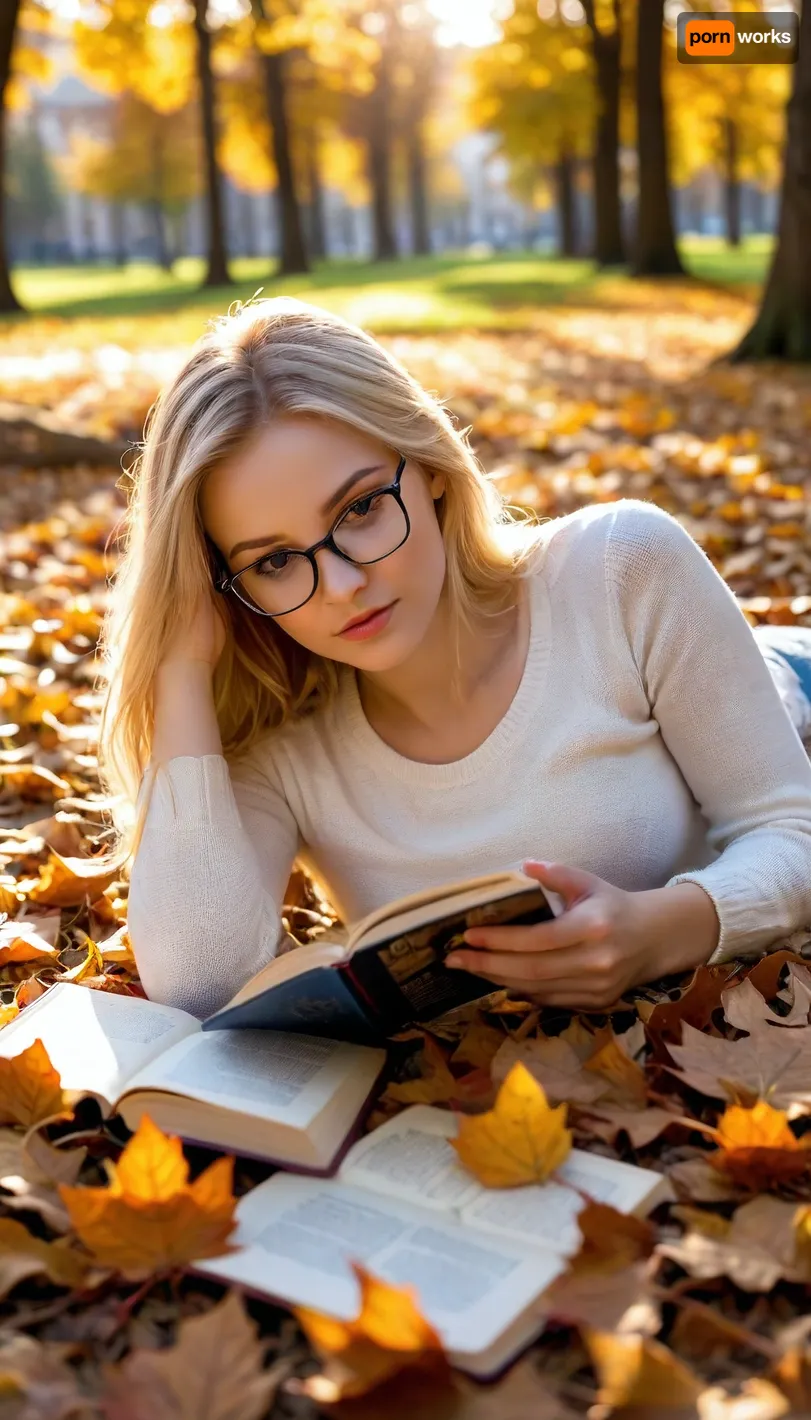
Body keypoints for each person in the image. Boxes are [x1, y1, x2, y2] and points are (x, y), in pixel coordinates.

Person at [97, 296, 811, 1021]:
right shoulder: (276, 737)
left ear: (430, 466)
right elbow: (198, 980)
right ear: (224, 585)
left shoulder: (622, 568)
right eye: (274, 561)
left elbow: (793, 830)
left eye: (360, 509)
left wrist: (658, 932)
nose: (341, 586)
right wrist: (179, 663)